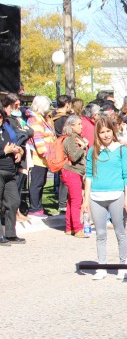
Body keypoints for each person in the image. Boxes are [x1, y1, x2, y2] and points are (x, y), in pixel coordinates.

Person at [82, 118, 127, 280]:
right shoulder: (92, 151)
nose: (105, 135)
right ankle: (102, 266)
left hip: (117, 195)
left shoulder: (121, 150)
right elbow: (88, 175)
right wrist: (85, 199)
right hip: (96, 196)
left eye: (108, 131)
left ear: (113, 131)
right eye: (102, 132)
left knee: (120, 232)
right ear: (97, 134)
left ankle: (123, 265)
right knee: (100, 233)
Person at [26, 95, 56, 217]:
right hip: (38, 157)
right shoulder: (35, 120)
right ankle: (34, 208)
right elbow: (38, 139)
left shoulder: (42, 118)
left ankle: (39, 207)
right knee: (37, 183)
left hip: (44, 157)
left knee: (41, 182)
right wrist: (45, 154)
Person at [1, 97, 25, 245]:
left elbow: (13, 144)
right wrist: (5, 151)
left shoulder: (6, 128)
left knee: (13, 202)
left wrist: (18, 150)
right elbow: (5, 148)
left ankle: (10, 233)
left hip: (10, 170)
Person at [60, 115, 89, 236]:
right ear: (71, 126)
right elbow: (74, 156)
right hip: (72, 171)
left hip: (74, 172)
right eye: (78, 124)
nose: (81, 127)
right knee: (77, 200)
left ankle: (69, 227)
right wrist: (83, 147)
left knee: (71, 201)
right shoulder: (71, 139)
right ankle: (77, 228)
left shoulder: (76, 138)